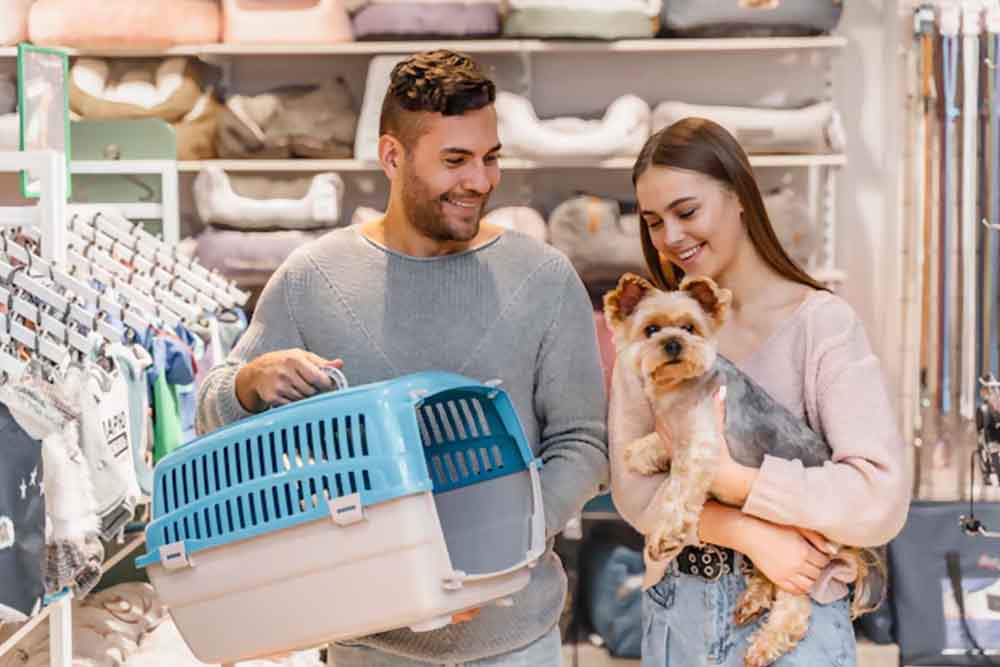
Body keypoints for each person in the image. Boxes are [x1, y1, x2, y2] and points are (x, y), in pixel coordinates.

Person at [196, 49, 609, 666]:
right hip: (367, 644)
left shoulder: (544, 278)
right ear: (392, 156)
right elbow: (213, 420)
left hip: (514, 643)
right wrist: (251, 383)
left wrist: (493, 548)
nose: (480, 180)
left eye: (490, 158)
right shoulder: (313, 277)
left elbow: (582, 443)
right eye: (455, 160)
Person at [607, 118, 909, 666]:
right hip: (679, 613)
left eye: (687, 211)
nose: (671, 237)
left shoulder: (823, 325)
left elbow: (879, 502)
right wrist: (745, 532)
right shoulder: (651, 338)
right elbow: (631, 491)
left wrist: (736, 480)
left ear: (740, 196)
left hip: (797, 622)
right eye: (653, 222)